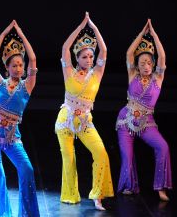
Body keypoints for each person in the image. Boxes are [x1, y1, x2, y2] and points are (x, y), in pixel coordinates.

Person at [55, 12, 113, 210]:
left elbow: (104, 51)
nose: (89, 59)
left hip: (86, 121)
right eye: (85, 56)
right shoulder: (69, 71)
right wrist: (81, 26)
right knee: (69, 159)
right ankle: (70, 195)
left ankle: (98, 195)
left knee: (101, 152)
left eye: (91, 56)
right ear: (77, 58)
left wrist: (94, 27)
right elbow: (65, 48)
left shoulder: (96, 73)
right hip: (65, 120)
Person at [0, 20, 39, 217]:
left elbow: (33, 59)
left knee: (27, 169)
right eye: (14, 65)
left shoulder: (27, 86)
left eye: (20, 65)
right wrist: (5, 31)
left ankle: (28, 214)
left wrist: (21, 34)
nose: (18, 68)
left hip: (11, 136)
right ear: (7, 68)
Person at [116, 19, 172, 201]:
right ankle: (128, 186)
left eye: (148, 62)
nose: (145, 66)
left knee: (163, 146)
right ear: (137, 66)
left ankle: (161, 187)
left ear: (153, 64)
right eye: (141, 63)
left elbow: (163, 57)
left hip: (147, 123)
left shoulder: (158, 77)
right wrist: (141, 34)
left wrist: (153, 34)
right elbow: (129, 53)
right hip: (125, 120)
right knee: (127, 156)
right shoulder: (133, 75)